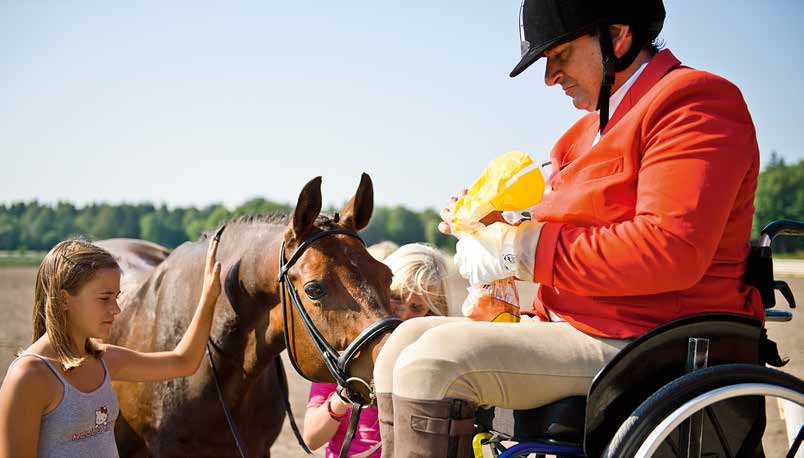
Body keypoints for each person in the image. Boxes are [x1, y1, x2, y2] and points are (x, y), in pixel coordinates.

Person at [373, 0, 765, 456]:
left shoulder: (694, 100)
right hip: (573, 325)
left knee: (432, 363)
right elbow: (562, 232)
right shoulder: (577, 137)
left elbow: (669, 248)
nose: (549, 76)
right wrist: (492, 229)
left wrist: (517, 248)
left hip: (650, 340)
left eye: (558, 55)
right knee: (402, 341)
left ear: (618, 36)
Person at [0, 236, 222, 457]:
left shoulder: (104, 360)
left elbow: (183, 361)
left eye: (116, 297)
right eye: (105, 298)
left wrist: (209, 297)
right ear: (64, 299)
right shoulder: (28, 377)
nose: (116, 309)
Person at [303, 243, 450, 458]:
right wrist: (346, 394)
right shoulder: (343, 350)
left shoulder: (437, 355)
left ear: (430, 312)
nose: (402, 313)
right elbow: (312, 438)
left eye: (416, 308)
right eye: (396, 298)